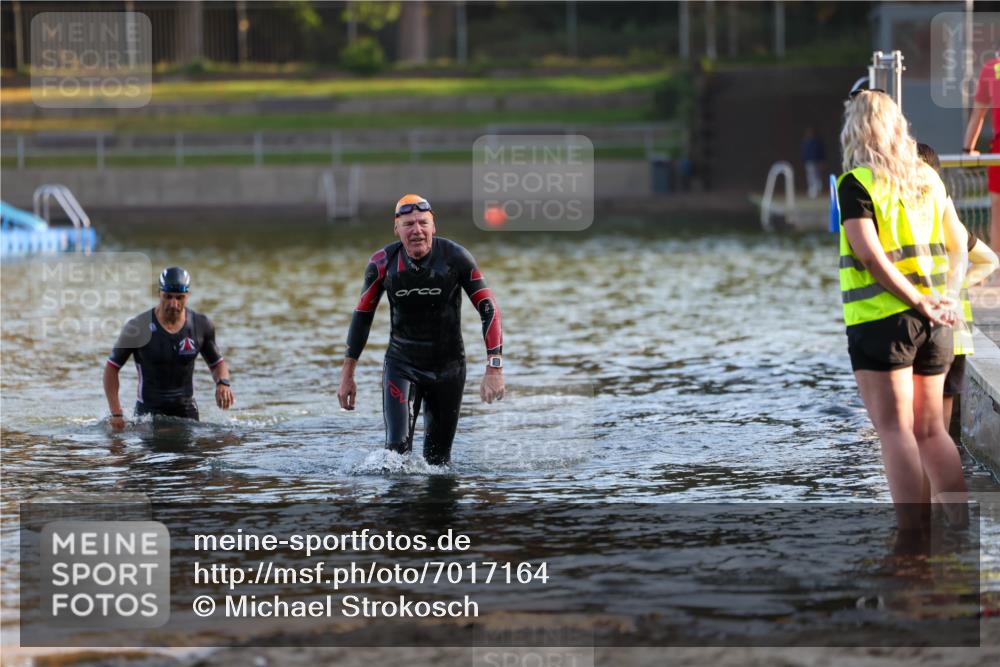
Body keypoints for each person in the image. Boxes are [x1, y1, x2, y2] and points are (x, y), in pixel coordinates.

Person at [837, 88, 969, 530]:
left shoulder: (856, 183)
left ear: (856, 129)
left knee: (894, 432)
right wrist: (944, 297)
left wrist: (915, 300)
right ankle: (960, 529)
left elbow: (871, 258)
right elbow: (959, 246)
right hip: (936, 323)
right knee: (931, 431)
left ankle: (913, 543)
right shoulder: (926, 178)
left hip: (883, 322)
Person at [337, 194, 505, 466]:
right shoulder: (382, 263)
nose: (416, 230)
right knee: (395, 457)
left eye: (422, 223)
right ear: (396, 229)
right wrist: (347, 375)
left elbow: (489, 308)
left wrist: (494, 368)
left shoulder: (455, 257)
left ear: (433, 226)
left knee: (438, 462)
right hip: (402, 365)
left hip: (448, 369)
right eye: (408, 224)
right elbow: (362, 316)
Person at [916, 143, 1000, 431]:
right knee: (941, 431)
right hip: (958, 337)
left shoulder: (915, 225)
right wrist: (956, 285)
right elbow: (989, 260)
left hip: (928, 330)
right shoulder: (954, 230)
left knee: (922, 429)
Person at [104, 267, 234, 428]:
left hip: (186, 413)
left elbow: (217, 364)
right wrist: (116, 413)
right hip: (147, 416)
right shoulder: (137, 327)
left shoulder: (201, 325)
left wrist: (223, 383)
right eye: (168, 297)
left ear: (187, 296)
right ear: (159, 293)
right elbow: (111, 368)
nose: (173, 304)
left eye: (179, 297)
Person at [961, 51, 1000, 253]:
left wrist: (968, 149)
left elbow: (978, 113)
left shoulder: (992, 68)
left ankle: (998, 270)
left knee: (997, 207)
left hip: (998, 148)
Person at [801, 126, 826, 199]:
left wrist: (822, 161)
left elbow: (822, 152)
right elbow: (805, 152)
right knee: (811, 177)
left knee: (817, 176)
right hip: (809, 161)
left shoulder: (818, 142)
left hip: (817, 161)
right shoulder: (807, 141)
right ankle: (812, 192)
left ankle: (818, 191)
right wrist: (805, 160)